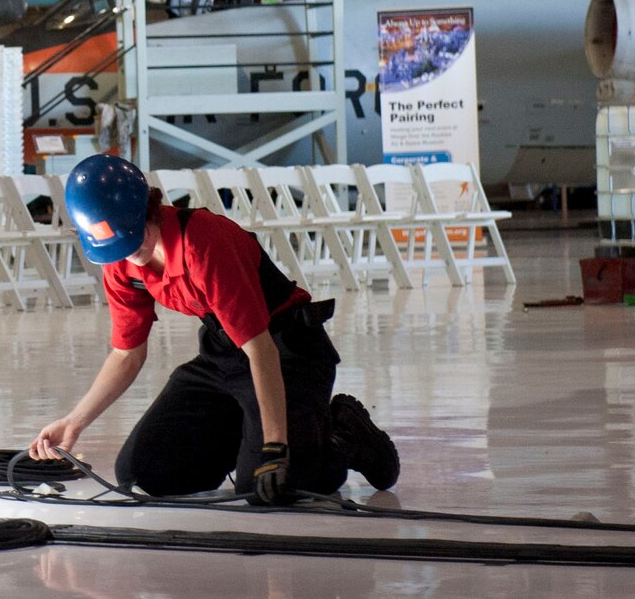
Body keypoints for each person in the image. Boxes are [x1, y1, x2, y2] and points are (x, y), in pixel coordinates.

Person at [30, 154, 399, 503]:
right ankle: (247, 438)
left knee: (265, 485)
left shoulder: (203, 244)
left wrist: (274, 447)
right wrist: (74, 421)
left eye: (133, 236)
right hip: (224, 354)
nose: (129, 253)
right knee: (142, 472)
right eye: (116, 247)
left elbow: (261, 348)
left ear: (148, 208)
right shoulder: (120, 260)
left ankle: (343, 436)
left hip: (288, 351)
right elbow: (127, 354)